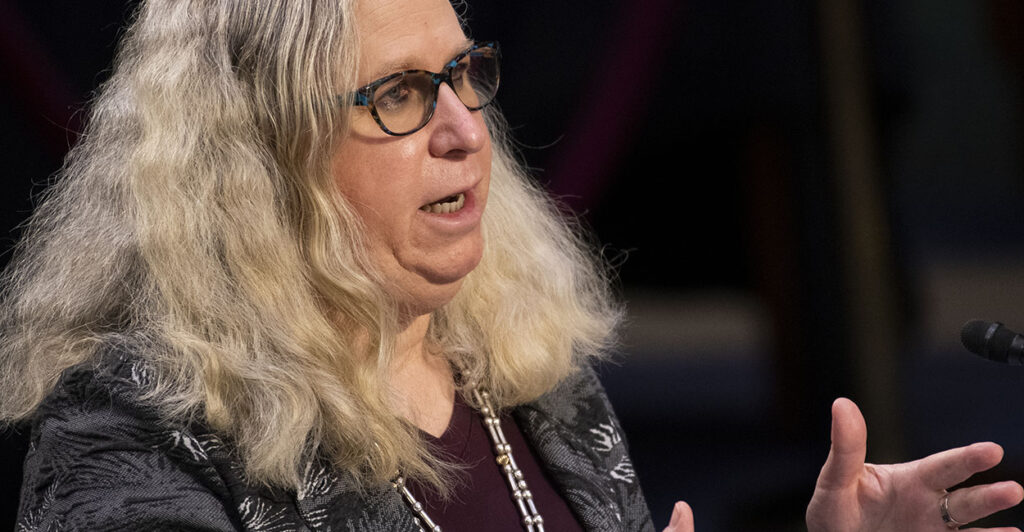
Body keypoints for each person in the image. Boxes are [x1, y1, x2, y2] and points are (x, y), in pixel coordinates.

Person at [0, 0, 1019, 531]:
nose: (464, 132)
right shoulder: (132, 424)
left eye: (463, 77)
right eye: (399, 95)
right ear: (259, 157)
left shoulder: (521, 368)